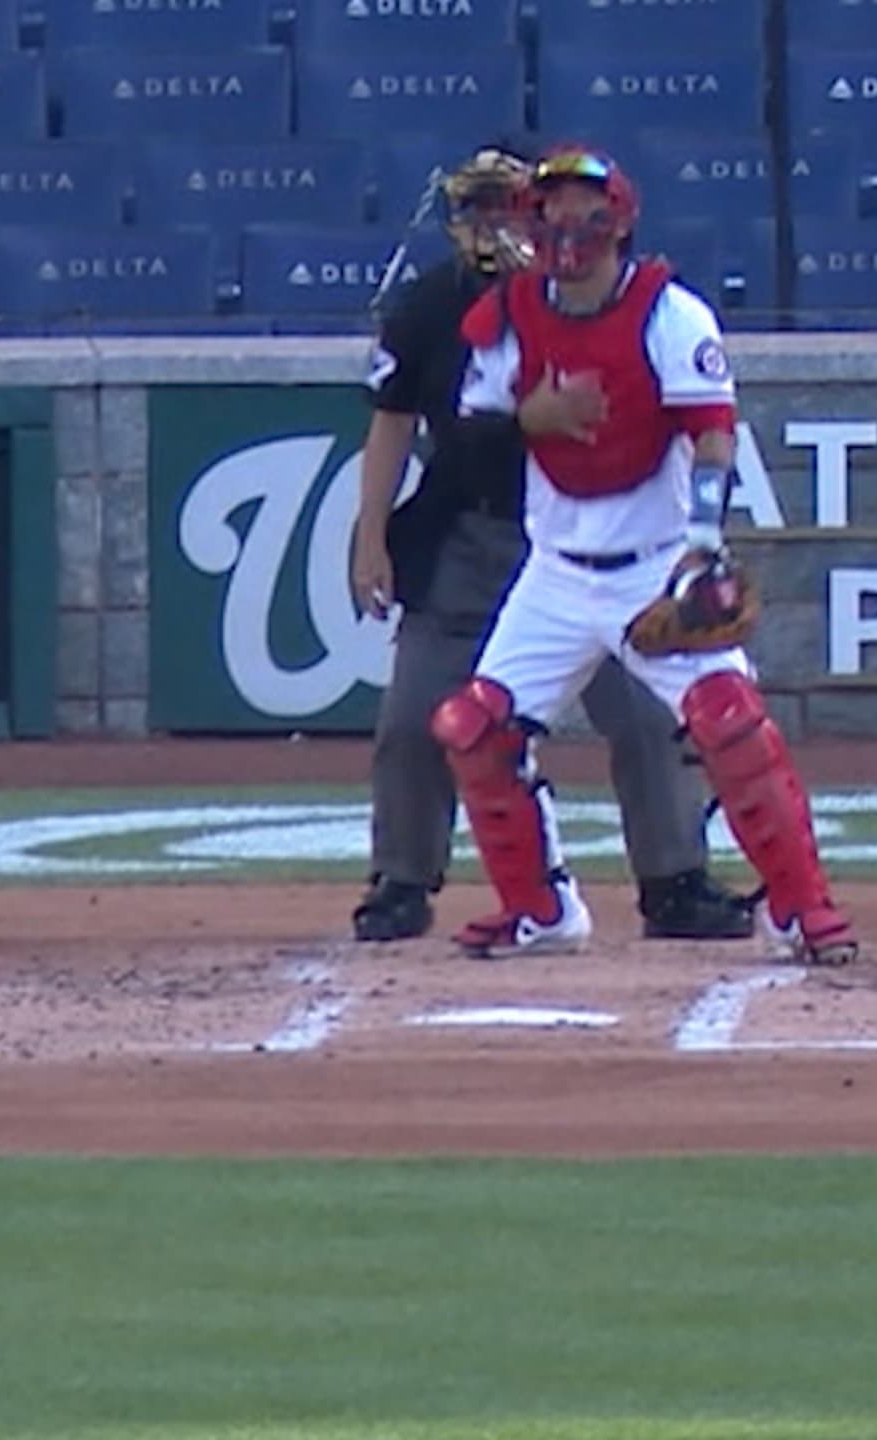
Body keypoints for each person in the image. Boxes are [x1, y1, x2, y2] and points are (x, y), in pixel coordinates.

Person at [432, 144, 858, 964]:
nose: (564, 231)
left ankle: (802, 909)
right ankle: (541, 911)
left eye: (582, 214)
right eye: (550, 212)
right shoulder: (510, 318)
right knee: (473, 728)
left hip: (656, 561)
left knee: (731, 726)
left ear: (617, 223)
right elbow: (464, 442)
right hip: (554, 571)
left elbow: (712, 439)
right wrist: (534, 419)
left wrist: (702, 547)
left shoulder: (672, 316)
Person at [349, 143, 755, 946]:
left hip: (593, 538)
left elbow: (692, 420)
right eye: (479, 207)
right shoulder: (433, 306)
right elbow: (397, 423)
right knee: (417, 721)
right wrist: (372, 537)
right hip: (470, 530)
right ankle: (401, 880)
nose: (494, 224)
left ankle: (676, 879)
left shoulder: (611, 299)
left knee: (647, 717)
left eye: (510, 203)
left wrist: (697, 532)